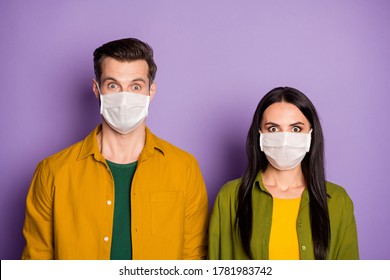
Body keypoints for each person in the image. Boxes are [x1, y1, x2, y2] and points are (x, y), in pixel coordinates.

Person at [22, 38, 208, 260]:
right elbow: (36, 264)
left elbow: (193, 259)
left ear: (152, 91)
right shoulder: (52, 172)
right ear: (96, 89)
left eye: (136, 86)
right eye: (113, 85)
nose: (124, 97)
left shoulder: (184, 168)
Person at [208, 87, 359, 260]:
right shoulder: (230, 197)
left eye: (295, 129)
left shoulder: (338, 200)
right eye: (273, 129)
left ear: (311, 135)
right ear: (260, 136)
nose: (285, 139)